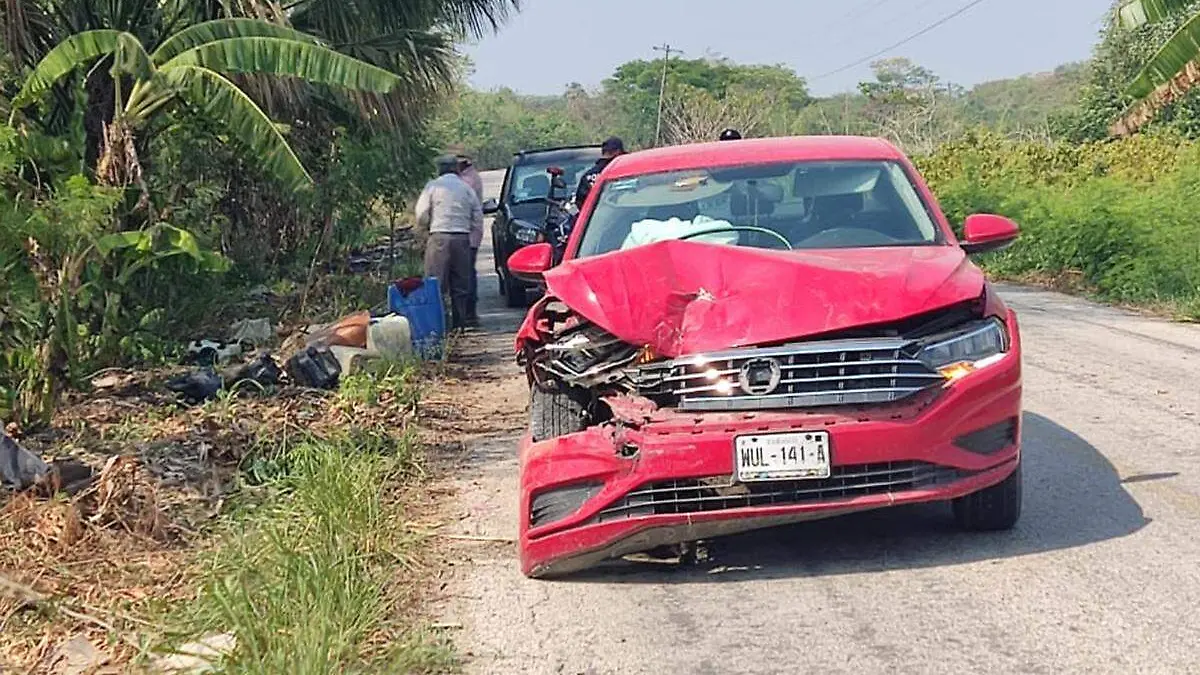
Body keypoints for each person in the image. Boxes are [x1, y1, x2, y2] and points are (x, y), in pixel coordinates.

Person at [415, 155, 483, 330]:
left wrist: (426, 227)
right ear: (456, 169)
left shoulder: (433, 186)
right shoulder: (466, 188)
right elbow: (477, 216)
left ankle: (438, 325)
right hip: (462, 239)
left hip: (439, 237)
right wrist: (471, 238)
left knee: (435, 284)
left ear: (440, 169)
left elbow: (421, 212)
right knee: (460, 285)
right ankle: (459, 324)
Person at [455, 152, 485, 325]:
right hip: (467, 233)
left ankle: (468, 312)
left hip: (469, 234)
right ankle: (466, 312)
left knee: (466, 274)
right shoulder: (467, 179)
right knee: (466, 272)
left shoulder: (468, 180)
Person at [574, 136, 626, 207]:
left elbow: (580, 202)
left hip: (596, 217)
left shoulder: (588, 176)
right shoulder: (624, 172)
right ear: (618, 152)